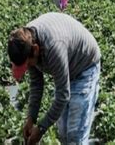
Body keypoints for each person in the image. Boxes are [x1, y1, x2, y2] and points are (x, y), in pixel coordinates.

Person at [7, 12, 100, 144]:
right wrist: (31, 118)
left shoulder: (54, 47)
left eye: (28, 64)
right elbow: (36, 84)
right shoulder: (25, 43)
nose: (28, 68)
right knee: (62, 132)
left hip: (85, 67)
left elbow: (62, 95)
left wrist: (40, 129)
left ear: (36, 49)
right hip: (67, 63)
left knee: (75, 133)